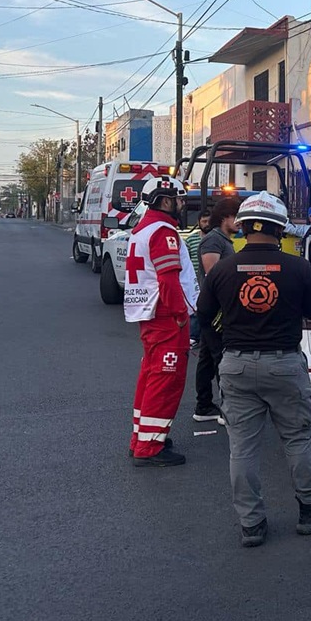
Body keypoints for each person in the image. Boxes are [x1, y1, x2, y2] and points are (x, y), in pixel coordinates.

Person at [197, 191, 311, 548]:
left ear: (243, 227)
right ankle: (310, 509)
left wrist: (229, 332)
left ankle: (252, 525)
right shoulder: (297, 267)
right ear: (280, 231)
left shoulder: (224, 270)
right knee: (297, 439)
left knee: (242, 448)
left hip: (236, 365)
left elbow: (203, 315)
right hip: (284, 365)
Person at [124, 175, 199, 467]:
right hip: (167, 315)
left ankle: (143, 438)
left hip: (150, 314)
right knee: (166, 380)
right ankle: (149, 448)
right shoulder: (163, 231)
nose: (182, 205)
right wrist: (181, 315)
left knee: (151, 376)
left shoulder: (142, 228)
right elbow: (168, 279)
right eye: (179, 199)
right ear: (165, 200)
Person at [191, 195, 243, 425]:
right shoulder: (214, 241)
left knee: (207, 358)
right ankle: (227, 409)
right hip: (216, 309)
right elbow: (214, 276)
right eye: (237, 217)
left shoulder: (224, 240)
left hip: (213, 308)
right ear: (225, 217)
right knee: (222, 357)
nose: (240, 223)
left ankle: (204, 406)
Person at [185, 209, 213, 346]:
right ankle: (194, 336)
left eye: (209, 221)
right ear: (198, 223)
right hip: (195, 281)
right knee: (195, 309)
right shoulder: (191, 240)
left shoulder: (216, 239)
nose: (207, 224)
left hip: (210, 281)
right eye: (204, 221)